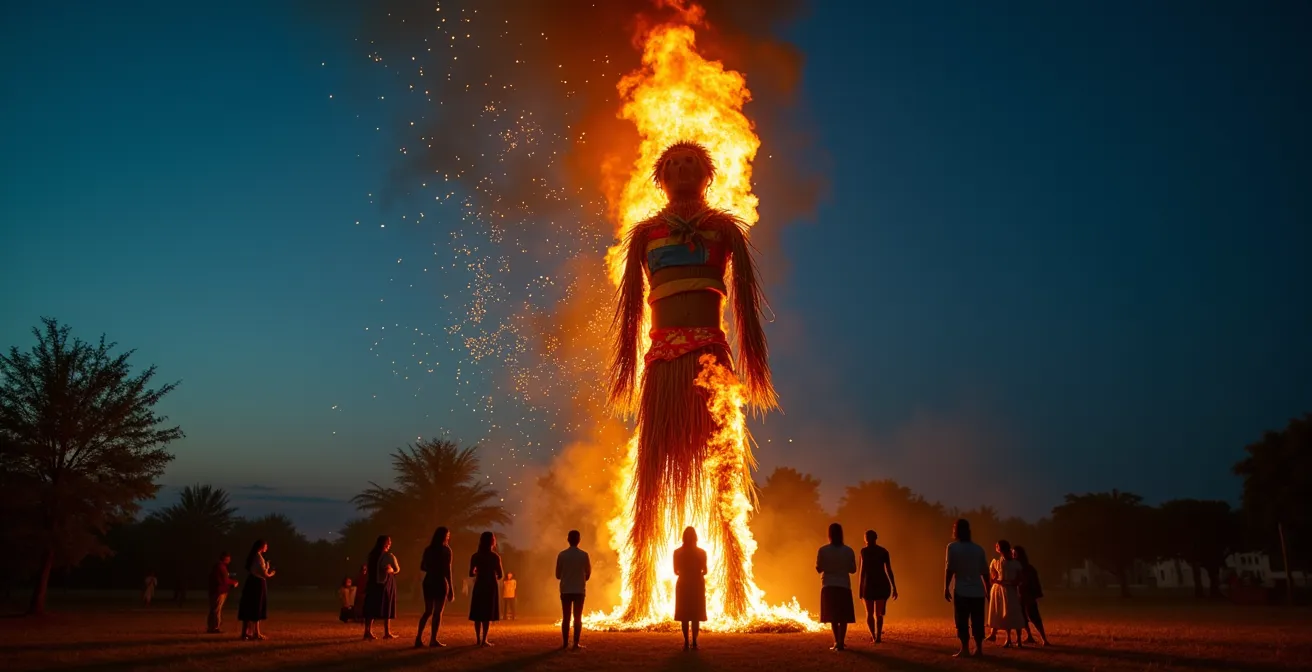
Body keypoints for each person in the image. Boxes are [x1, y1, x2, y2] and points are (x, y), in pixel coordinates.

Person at [609, 141, 775, 621]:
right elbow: (631, 313)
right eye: (674, 164)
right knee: (650, 482)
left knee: (725, 479)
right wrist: (628, 365)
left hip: (710, 361)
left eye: (691, 163)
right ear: (660, 176)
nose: (682, 169)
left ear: (707, 174)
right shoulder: (645, 234)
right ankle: (639, 596)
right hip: (662, 362)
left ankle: (738, 597)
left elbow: (746, 305)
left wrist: (754, 364)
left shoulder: (724, 230)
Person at [944, 519, 990, 657]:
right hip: (977, 591)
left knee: (962, 620)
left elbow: (949, 568)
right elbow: (985, 572)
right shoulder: (978, 548)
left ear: (956, 531)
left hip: (961, 590)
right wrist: (987, 590)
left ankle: (964, 649)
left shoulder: (952, 547)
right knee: (978, 620)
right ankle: (979, 649)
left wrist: (945, 587)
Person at [816, 523, 857, 651]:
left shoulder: (823, 550)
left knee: (833, 616)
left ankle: (836, 641)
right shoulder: (848, 550)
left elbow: (819, 568)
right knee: (843, 616)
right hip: (844, 585)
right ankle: (841, 641)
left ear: (829, 534)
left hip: (828, 585)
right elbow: (853, 569)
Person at [417, 526, 454, 648]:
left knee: (427, 611)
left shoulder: (428, 549)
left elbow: (422, 566)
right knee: (437, 612)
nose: (449, 537)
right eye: (448, 535)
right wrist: (451, 589)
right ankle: (433, 639)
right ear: (444, 537)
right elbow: (448, 571)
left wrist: (431, 568)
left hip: (428, 580)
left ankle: (418, 638)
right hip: (440, 581)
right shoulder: (446, 550)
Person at [858, 530, 898, 643]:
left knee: (870, 613)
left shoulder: (864, 552)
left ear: (866, 539)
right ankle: (878, 636)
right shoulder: (883, 551)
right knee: (878, 613)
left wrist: (860, 588)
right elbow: (888, 570)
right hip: (881, 583)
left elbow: (862, 571)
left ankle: (874, 636)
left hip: (869, 584)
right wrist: (894, 586)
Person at [672, 526, 708, 650]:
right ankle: (694, 642)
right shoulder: (702, 552)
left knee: (684, 614)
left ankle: (687, 642)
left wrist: (684, 572)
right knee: (695, 614)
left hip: (683, 583)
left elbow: (675, 571)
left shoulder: (677, 552)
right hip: (697, 584)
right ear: (695, 537)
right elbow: (705, 571)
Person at [556, 530, 592, 650]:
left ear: (568, 539)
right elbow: (588, 573)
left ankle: (565, 643)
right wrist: (580, 580)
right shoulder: (584, 555)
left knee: (566, 617)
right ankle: (575, 644)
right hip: (579, 591)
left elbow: (557, 575)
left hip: (565, 590)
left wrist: (567, 577)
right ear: (579, 540)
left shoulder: (562, 555)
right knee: (578, 617)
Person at [985, 539, 1025, 647]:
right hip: (1000, 590)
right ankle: (1008, 639)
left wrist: (1012, 582)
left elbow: (1020, 578)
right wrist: (996, 580)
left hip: (1010, 590)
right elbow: (993, 575)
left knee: (1014, 613)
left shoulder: (1015, 563)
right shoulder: (998, 562)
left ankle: (1019, 640)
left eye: (997, 546)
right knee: (1004, 614)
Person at [468, 531, 504, 647]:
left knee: (478, 612)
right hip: (490, 585)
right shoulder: (495, 557)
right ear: (492, 542)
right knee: (487, 612)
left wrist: (477, 572)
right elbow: (500, 574)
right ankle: (484, 640)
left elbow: (470, 573)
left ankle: (478, 639)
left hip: (479, 584)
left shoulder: (475, 556)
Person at [363, 535, 400, 640]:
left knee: (371, 606)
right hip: (385, 583)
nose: (390, 543)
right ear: (385, 543)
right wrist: (391, 570)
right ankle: (386, 632)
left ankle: (368, 631)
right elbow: (397, 569)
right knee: (385, 606)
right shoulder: (388, 556)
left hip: (373, 583)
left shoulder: (372, 555)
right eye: (389, 541)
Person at [238, 539, 274, 641]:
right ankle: (256, 633)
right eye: (266, 546)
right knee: (256, 607)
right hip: (257, 584)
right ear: (261, 547)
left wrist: (266, 567)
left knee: (249, 607)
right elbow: (264, 574)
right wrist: (271, 573)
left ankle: (246, 633)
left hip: (251, 582)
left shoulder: (254, 557)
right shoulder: (258, 557)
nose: (267, 547)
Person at [1014, 546, 1049, 645]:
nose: (1013, 555)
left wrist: (1036, 593)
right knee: (1022, 617)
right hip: (1019, 595)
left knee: (1034, 616)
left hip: (1028, 595)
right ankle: (1029, 635)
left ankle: (1044, 638)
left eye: (1015, 553)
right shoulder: (1016, 567)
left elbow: (1033, 581)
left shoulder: (1028, 568)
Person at [207, 552, 239, 633]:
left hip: (216, 590)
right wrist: (233, 582)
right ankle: (215, 627)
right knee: (216, 610)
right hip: (219, 591)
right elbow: (224, 580)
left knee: (214, 609)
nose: (230, 560)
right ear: (225, 558)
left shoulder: (218, 567)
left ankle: (211, 627)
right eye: (229, 558)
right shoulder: (220, 567)